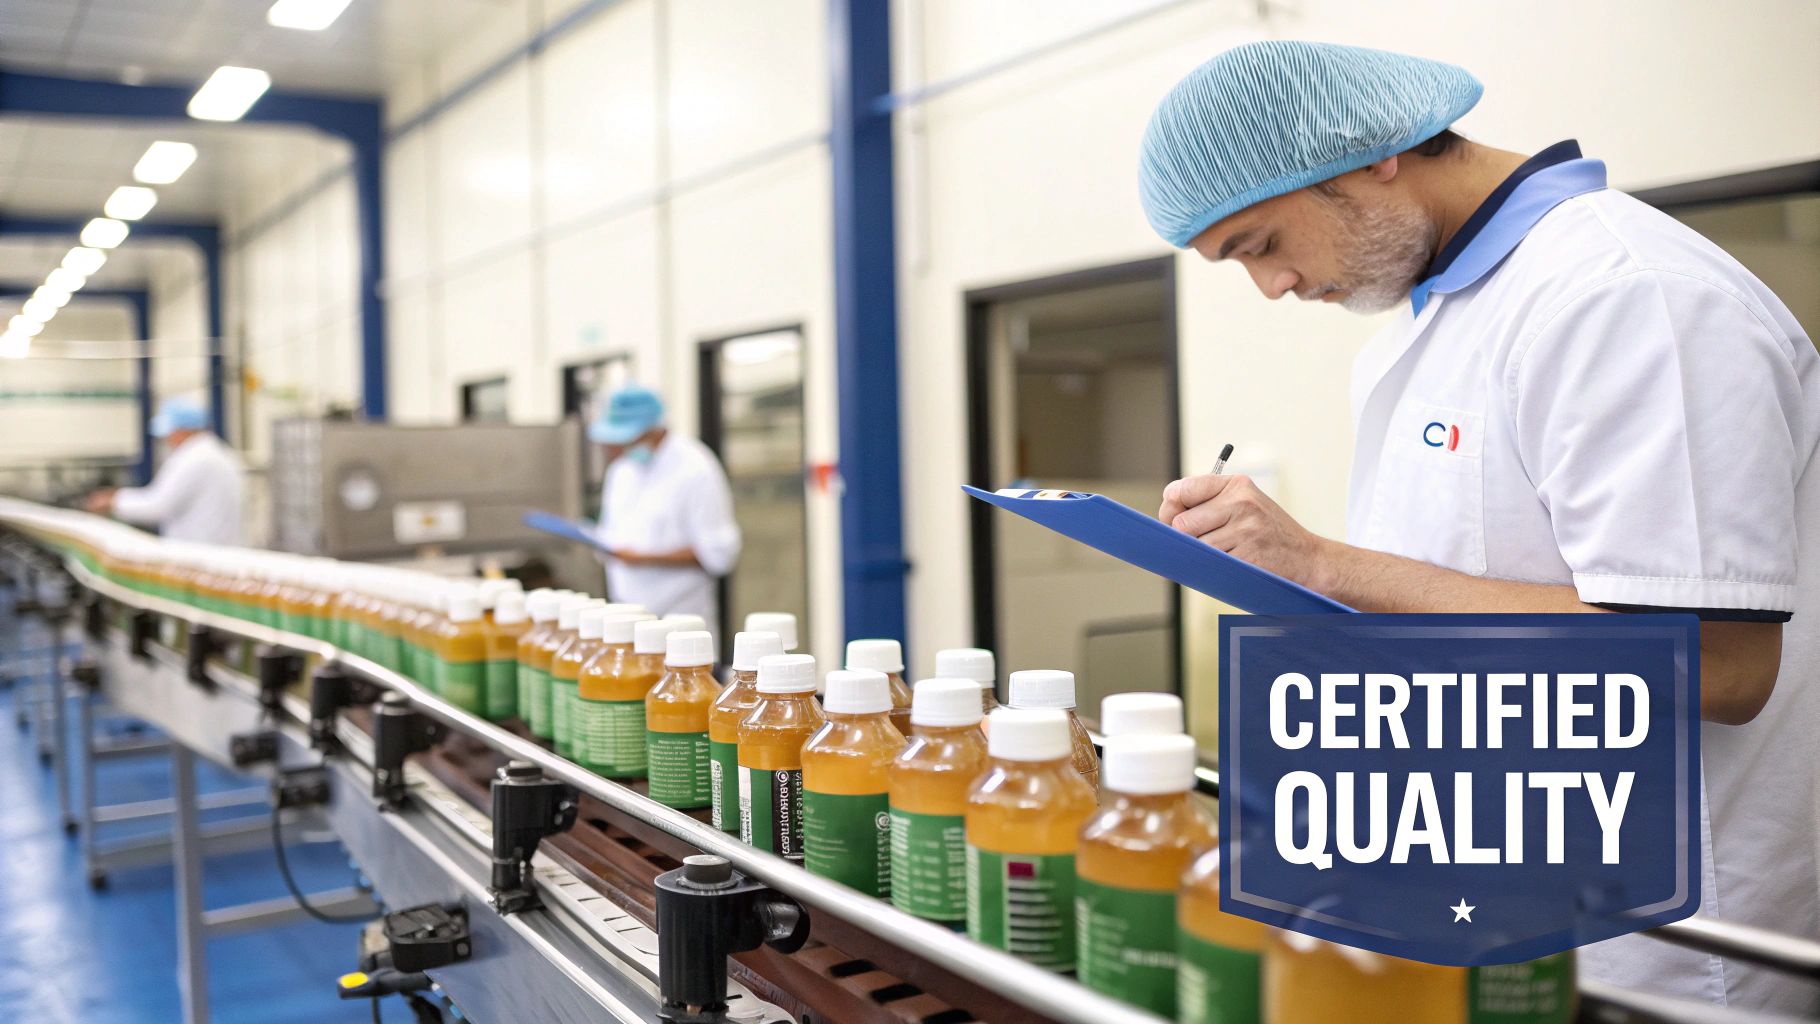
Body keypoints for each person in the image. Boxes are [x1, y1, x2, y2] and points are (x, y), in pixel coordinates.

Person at [1139, 41, 1817, 1011]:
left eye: (1258, 244)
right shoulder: (1422, 329)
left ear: (1370, 153)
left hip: (1657, 947)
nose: (1272, 288)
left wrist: (1327, 564)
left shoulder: (1628, 297)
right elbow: (1456, 592)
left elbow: (1715, 663)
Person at [589, 383, 741, 628]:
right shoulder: (622, 470)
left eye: (629, 437)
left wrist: (644, 558)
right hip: (625, 616)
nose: (620, 447)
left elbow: (718, 554)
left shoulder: (696, 469)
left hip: (679, 621)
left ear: (654, 428)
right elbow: (612, 530)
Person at [85, 395, 246, 546]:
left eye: (169, 432)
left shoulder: (193, 459)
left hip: (199, 553)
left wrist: (113, 501)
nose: (167, 439)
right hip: (219, 550)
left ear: (182, 430)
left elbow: (157, 505)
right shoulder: (218, 453)